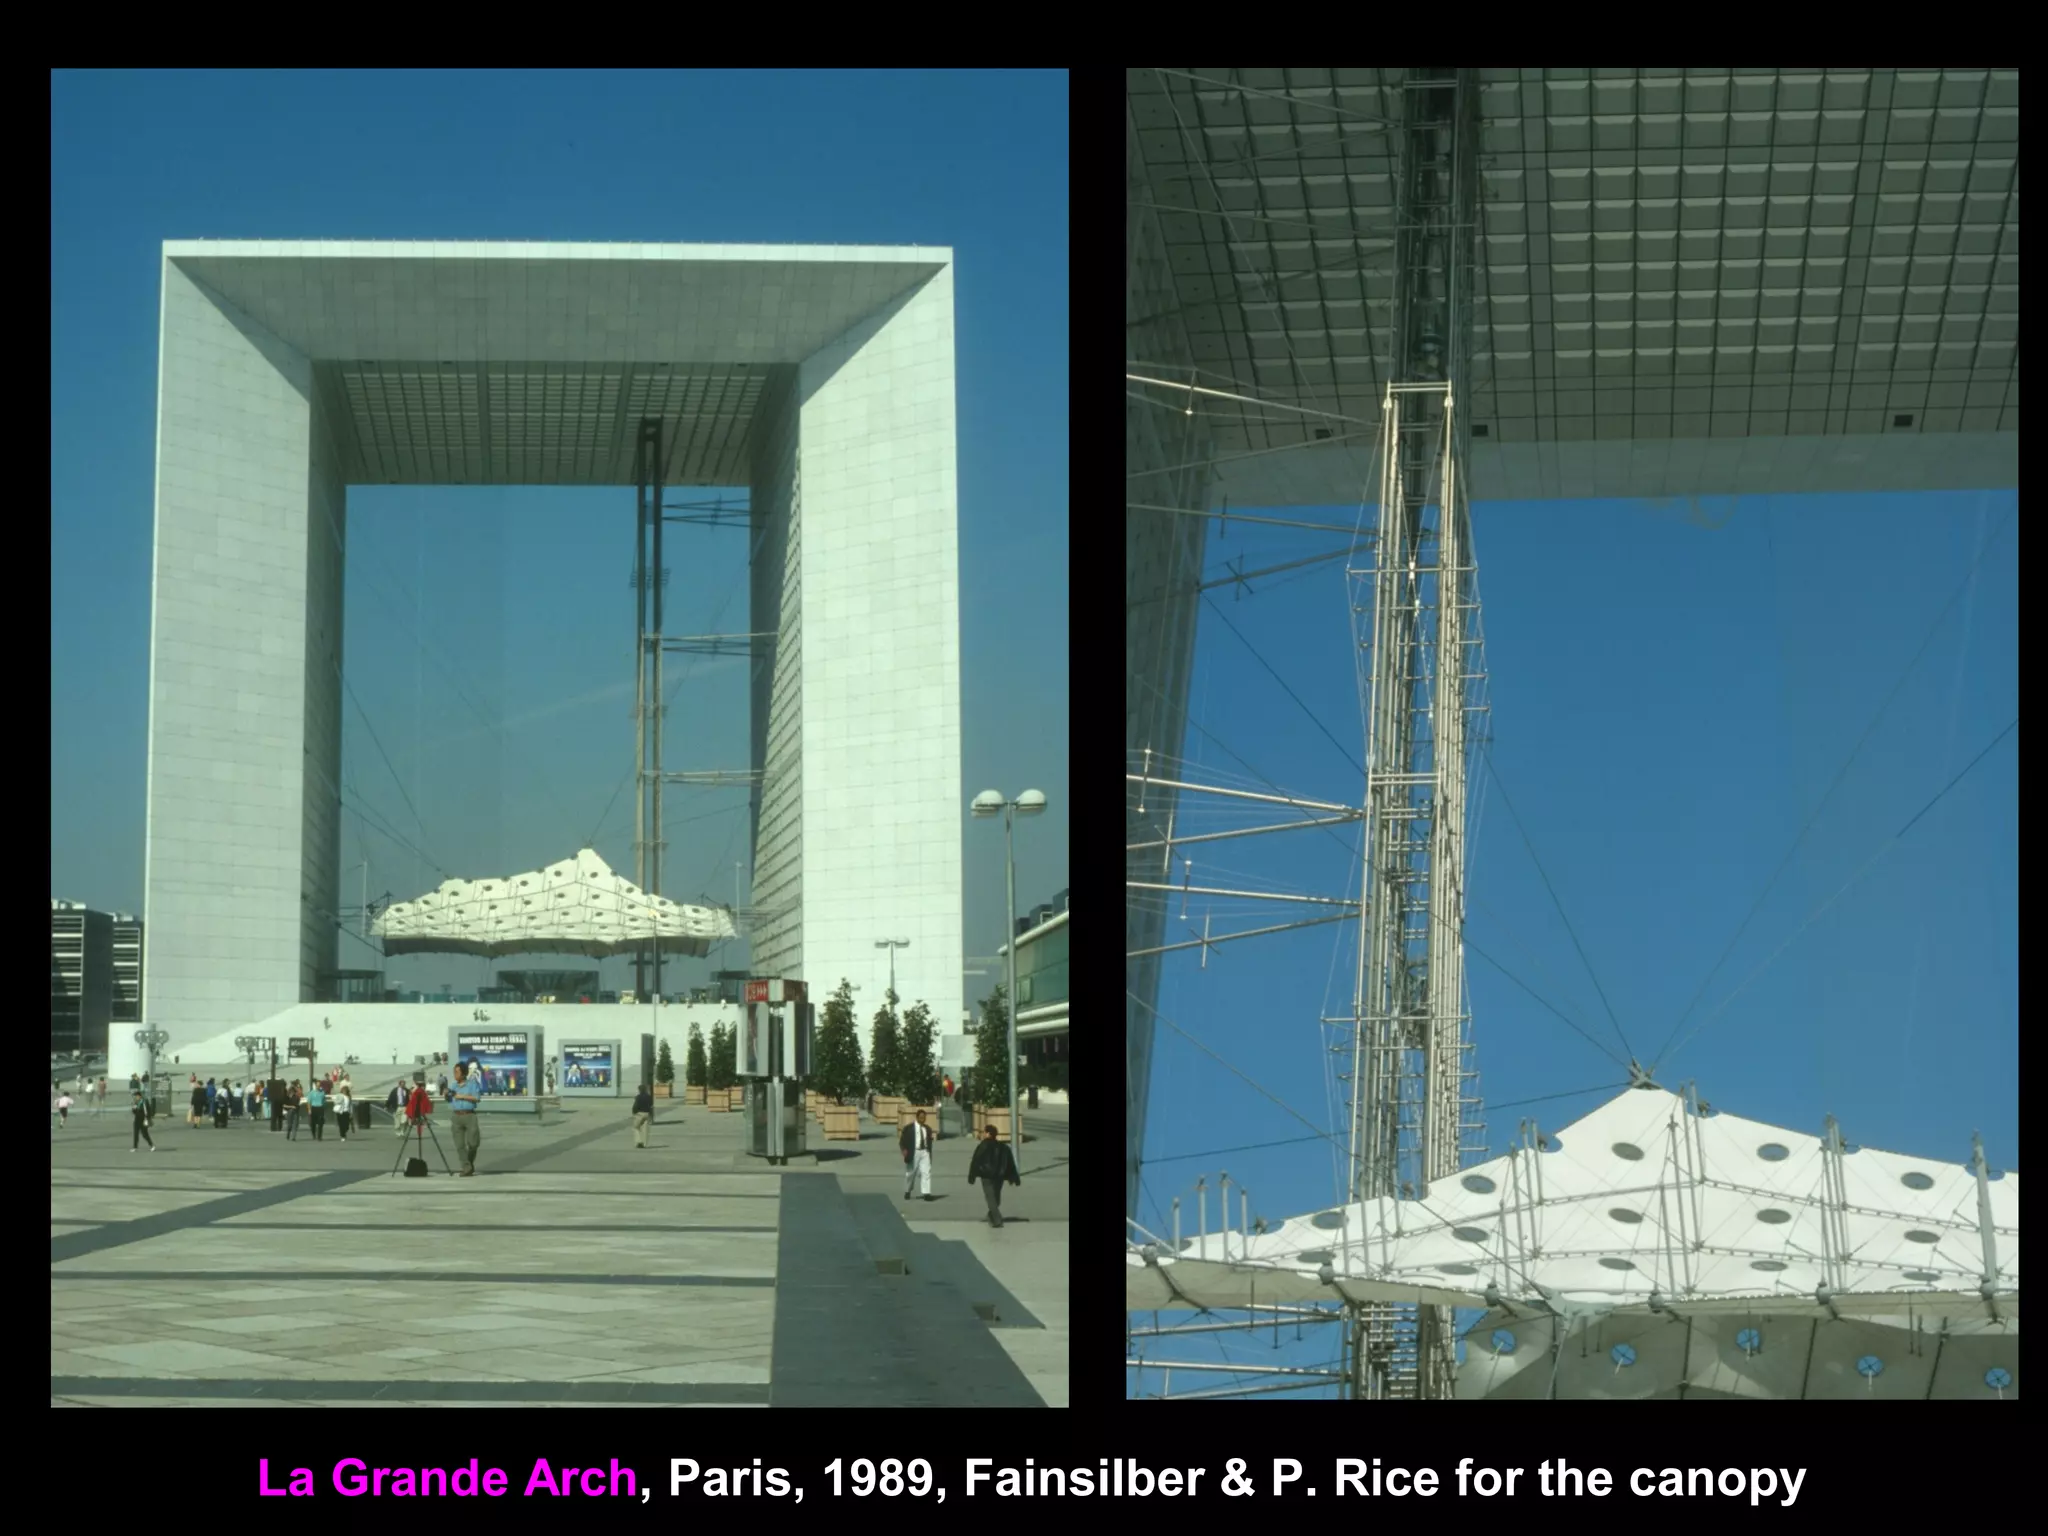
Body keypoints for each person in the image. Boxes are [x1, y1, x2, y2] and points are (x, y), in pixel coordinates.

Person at [968, 1123, 1021, 1228]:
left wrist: (972, 1175)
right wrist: (1014, 1177)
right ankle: (993, 1216)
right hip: (999, 1176)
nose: (983, 1134)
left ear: (988, 1133)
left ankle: (996, 1218)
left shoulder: (983, 1146)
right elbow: (1010, 1163)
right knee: (995, 1197)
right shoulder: (1003, 1147)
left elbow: (976, 1161)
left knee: (991, 1197)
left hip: (986, 1176)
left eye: (984, 1132)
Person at [449, 1061, 482, 1176]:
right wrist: (447, 1095)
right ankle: (466, 1167)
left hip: (469, 1115)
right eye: (454, 1072)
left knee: (473, 1143)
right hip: (456, 1116)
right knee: (459, 1145)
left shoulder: (472, 1084)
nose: (455, 1074)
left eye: (457, 1072)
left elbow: (477, 1098)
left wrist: (461, 1096)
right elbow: (450, 1099)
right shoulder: (453, 1085)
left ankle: (469, 1164)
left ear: (463, 1074)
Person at [900, 1110, 934, 1202]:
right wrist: (904, 1150)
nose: (923, 1119)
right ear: (917, 1117)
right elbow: (902, 1140)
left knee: (926, 1172)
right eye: (921, 1117)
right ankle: (907, 1191)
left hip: (925, 1152)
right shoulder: (909, 1128)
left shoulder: (927, 1129)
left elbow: (929, 1141)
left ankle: (926, 1193)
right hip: (914, 1152)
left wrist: (929, 1152)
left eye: (924, 1117)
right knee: (910, 1173)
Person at [130, 1087, 156, 1152]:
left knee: (145, 1134)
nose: (135, 1098)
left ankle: (152, 1145)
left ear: (139, 1096)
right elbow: (135, 1112)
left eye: (136, 1096)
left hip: (143, 1120)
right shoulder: (136, 1102)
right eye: (134, 1096)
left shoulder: (144, 1102)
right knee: (136, 1134)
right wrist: (133, 1109)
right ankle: (135, 1147)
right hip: (137, 1120)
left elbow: (147, 1111)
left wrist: (147, 1118)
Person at [631, 1081, 655, 1149]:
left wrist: (634, 1113)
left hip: (639, 1114)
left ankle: (639, 1141)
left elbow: (635, 1106)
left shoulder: (638, 1097)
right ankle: (645, 1144)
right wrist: (651, 1116)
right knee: (645, 1129)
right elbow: (651, 1107)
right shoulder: (649, 1097)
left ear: (639, 1090)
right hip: (647, 1114)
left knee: (636, 1127)